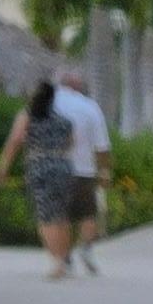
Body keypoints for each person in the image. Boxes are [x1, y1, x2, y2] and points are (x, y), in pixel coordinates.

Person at [0, 79, 80, 275]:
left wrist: (3, 168)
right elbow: (72, 142)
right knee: (61, 215)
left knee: (45, 216)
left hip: (39, 166)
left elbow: (15, 141)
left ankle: (57, 262)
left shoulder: (27, 115)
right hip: (63, 166)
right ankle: (65, 258)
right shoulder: (62, 119)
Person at [51, 59, 111, 275]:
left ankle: (65, 256)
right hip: (85, 170)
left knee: (62, 215)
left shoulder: (49, 105)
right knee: (88, 214)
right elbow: (102, 146)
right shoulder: (90, 107)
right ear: (78, 85)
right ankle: (86, 248)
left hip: (56, 168)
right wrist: (104, 170)